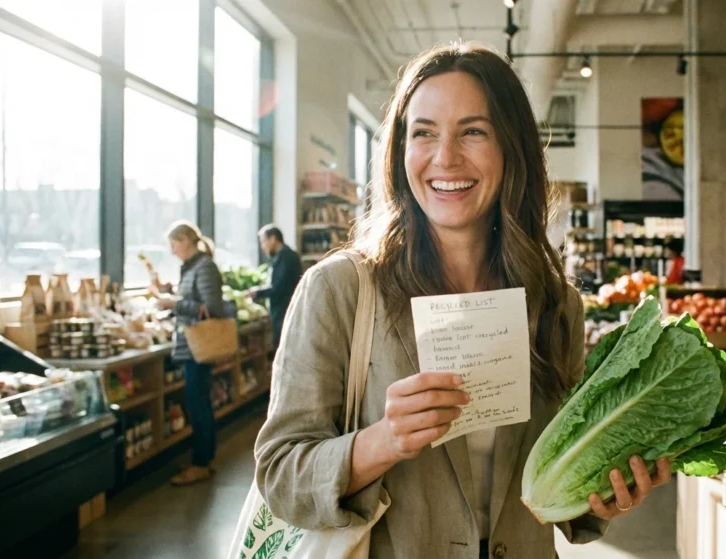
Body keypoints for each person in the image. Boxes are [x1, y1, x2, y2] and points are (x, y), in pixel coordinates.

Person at [253, 42, 670, 558]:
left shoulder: (555, 303)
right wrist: (384, 441)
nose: (444, 157)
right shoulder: (340, 290)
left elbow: (556, 485)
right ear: (400, 150)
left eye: (473, 131)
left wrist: (600, 497)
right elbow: (280, 475)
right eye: (423, 133)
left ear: (510, 149)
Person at [150, 220, 225, 486]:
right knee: (198, 401)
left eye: (173, 245)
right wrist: (172, 295)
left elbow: (214, 307)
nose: (172, 251)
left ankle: (201, 464)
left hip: (198, 346)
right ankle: (203, 459)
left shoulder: (204, 267)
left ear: (185, 241)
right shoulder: (193, 267)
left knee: (198, 404)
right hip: (190, 346)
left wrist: (174, 303)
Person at [248, 224, 302, 348]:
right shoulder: (282, 256)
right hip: (283, 311)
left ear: (273, 239)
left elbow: (280, 287)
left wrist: (258, 293)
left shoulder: (286, 257)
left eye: (263, 242)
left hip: (285, 311)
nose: (262, 247)